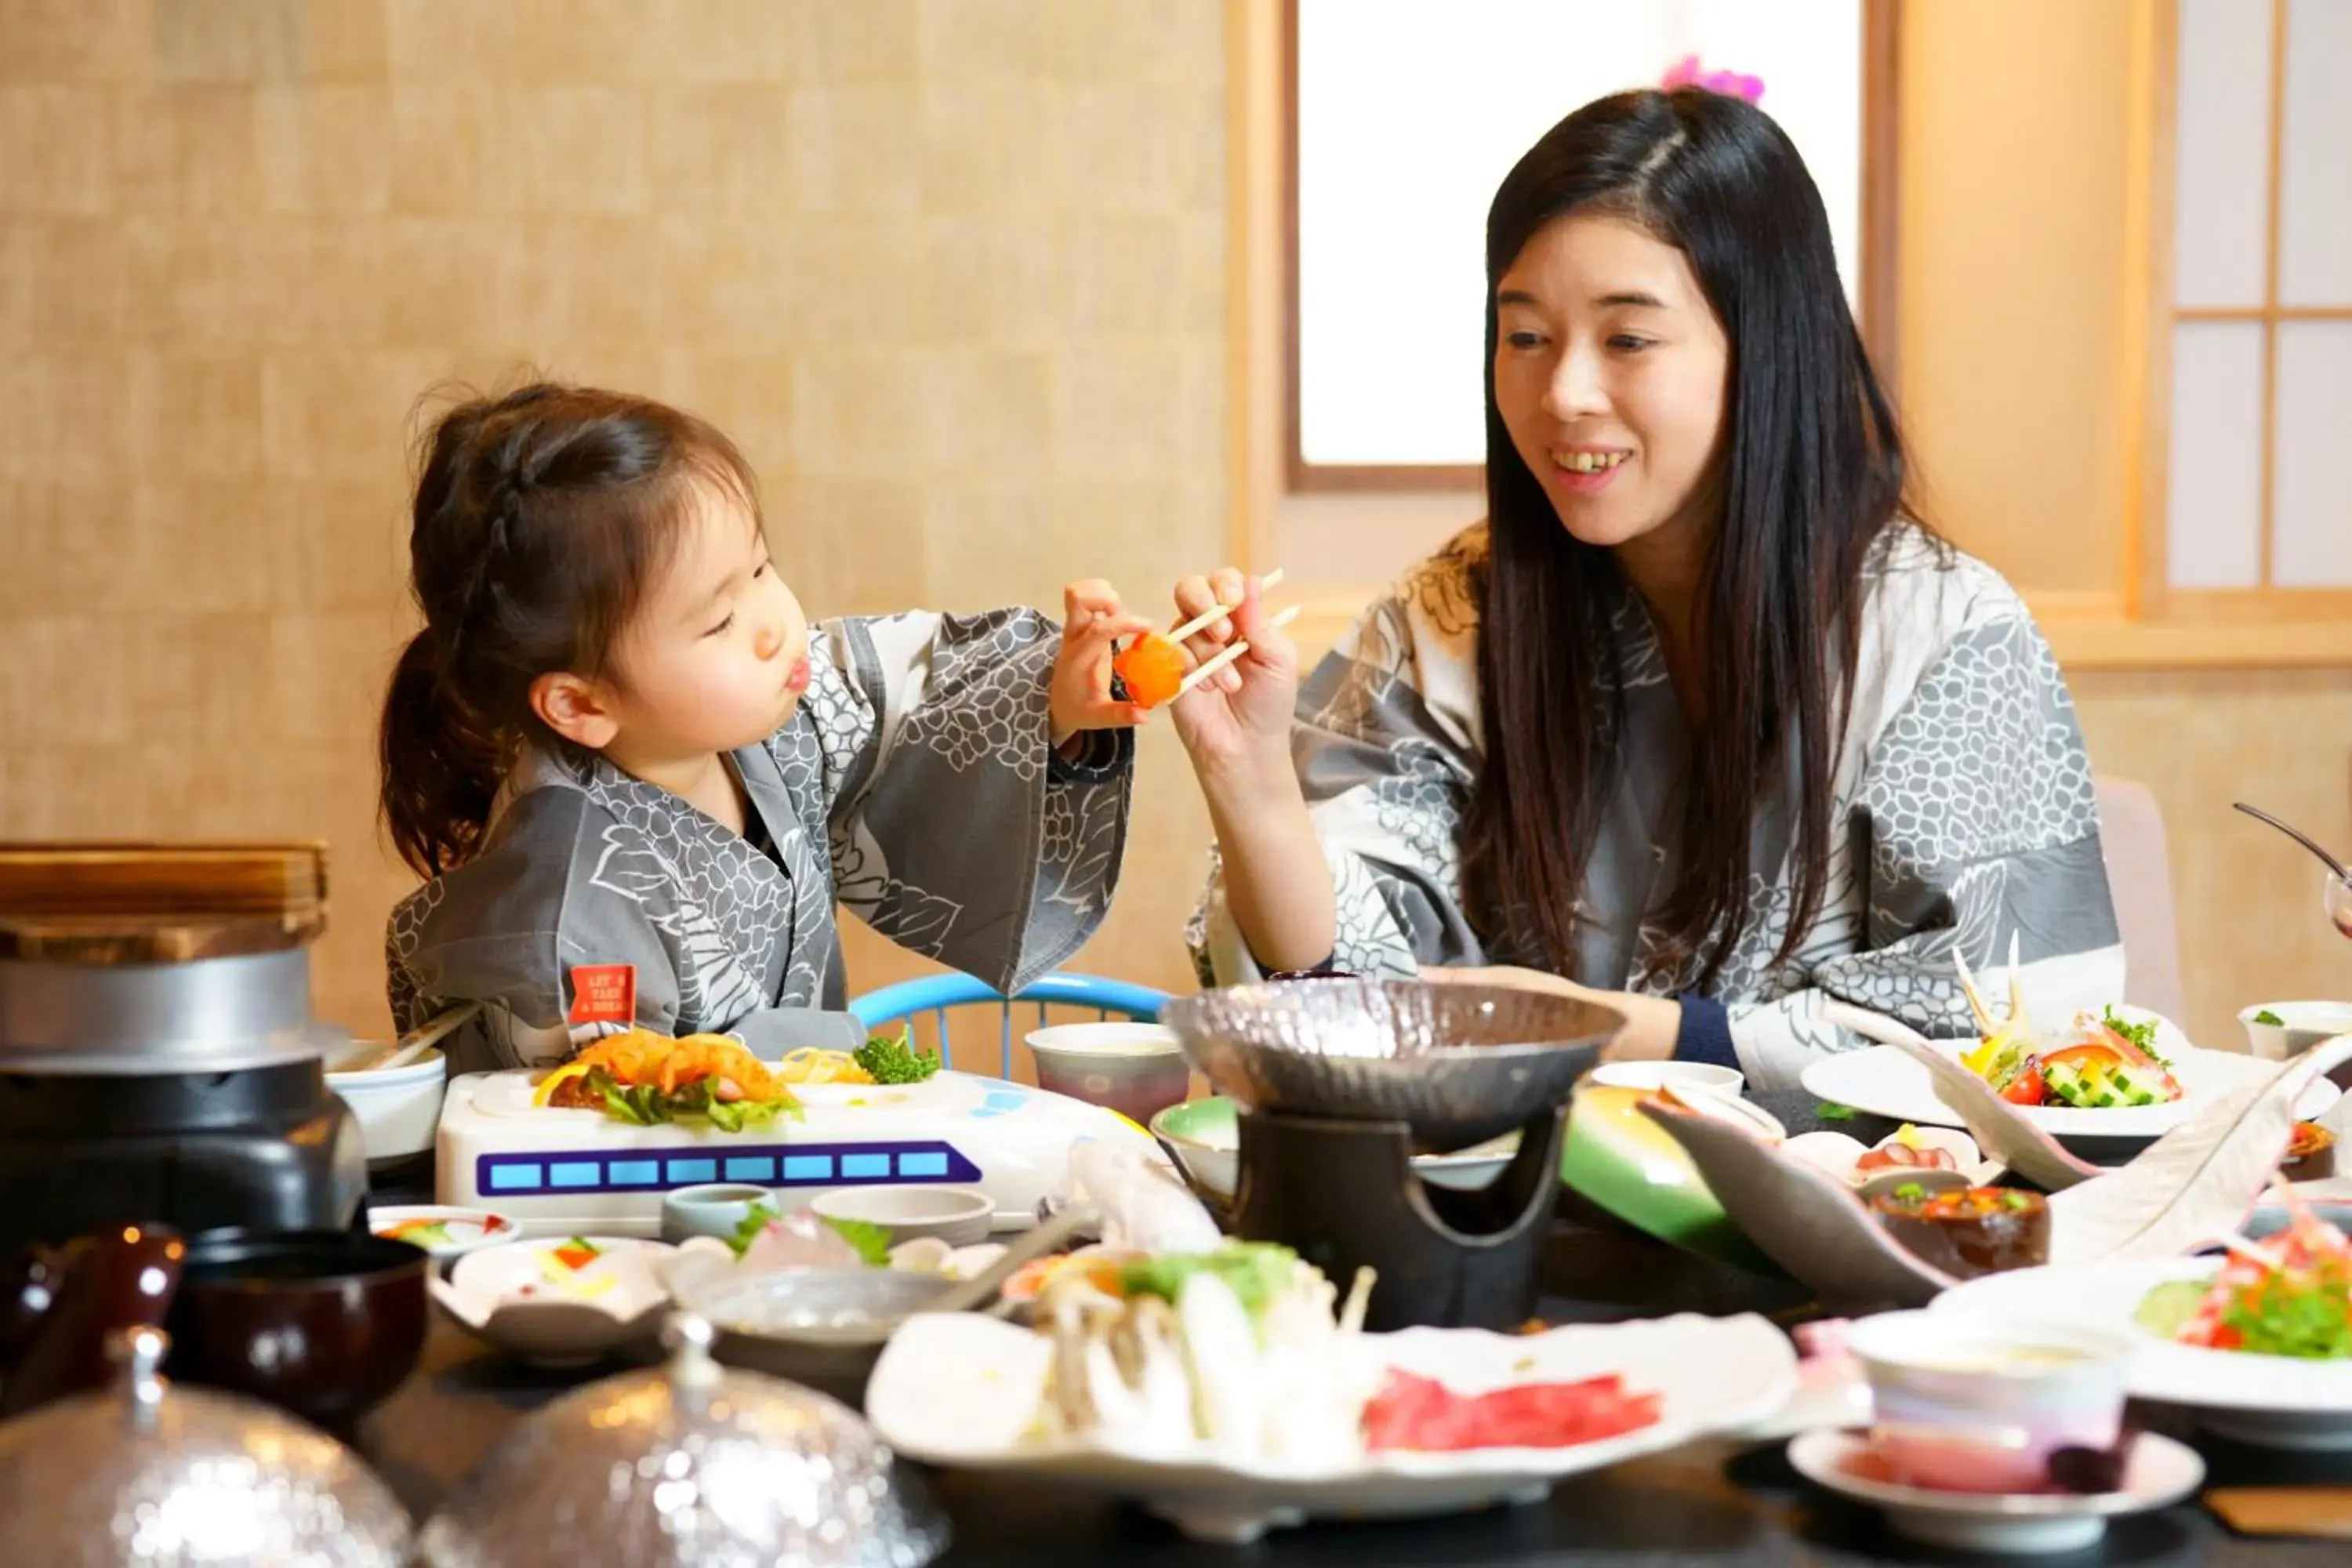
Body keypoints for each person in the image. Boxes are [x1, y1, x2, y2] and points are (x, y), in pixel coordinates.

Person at [1169, 89, 2122, 1090]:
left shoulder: (1946, 635)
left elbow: (2032, 1024)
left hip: (1849, 1222)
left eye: (1628, 339)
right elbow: (1338, 998)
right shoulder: (1456, 612)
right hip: (1516, 1207)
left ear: (1763, 349)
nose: (1564, 392)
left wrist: (1615, 1035)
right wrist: (1254, 780)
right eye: (1526, 335)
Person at [379, 382, 1151, 1071]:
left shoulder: (763, 715)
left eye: (760, 568)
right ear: (581, 704)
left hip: (784, 1168)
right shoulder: (562, 912)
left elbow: (923, 706)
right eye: (719, 620)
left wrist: (1059, 703)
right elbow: (581, 1131)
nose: (775, 624)